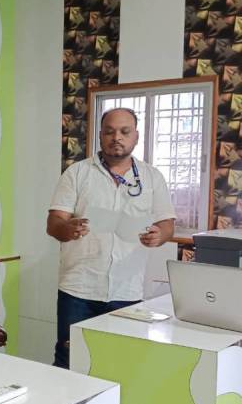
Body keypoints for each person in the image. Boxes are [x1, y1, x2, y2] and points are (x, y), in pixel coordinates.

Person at [47, 108, 176, 368]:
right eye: (109, 131)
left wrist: (159, 235)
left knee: (122, 364)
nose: (117, 137)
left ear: (136, 136)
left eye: (124, 132)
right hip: (79, 289)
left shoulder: (152, 177)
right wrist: (68, 228)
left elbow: (167, 224)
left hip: (127, 291)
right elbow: (54, 223)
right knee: (71, 360)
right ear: (100, 136)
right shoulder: (77, 173)